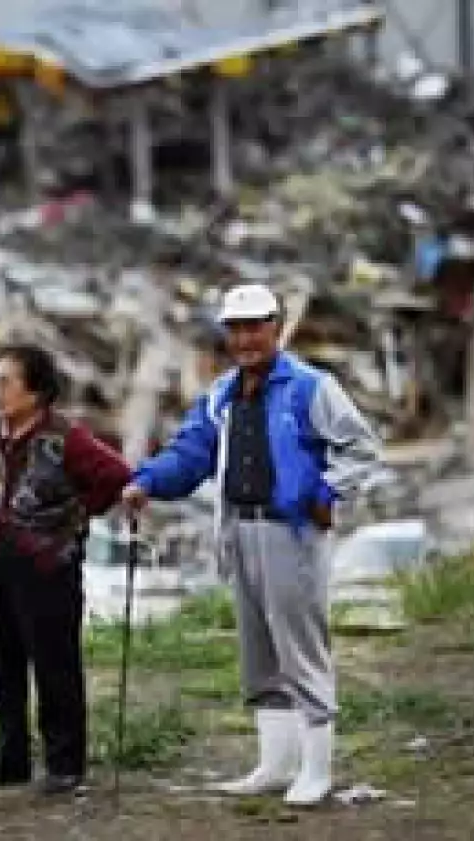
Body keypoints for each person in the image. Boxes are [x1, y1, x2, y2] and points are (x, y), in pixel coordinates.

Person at [121, 283, 381, 806]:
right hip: (238, 528)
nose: (245, 338)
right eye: (235, 329)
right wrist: (147, 481)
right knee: (258, 650)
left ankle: (317, 769)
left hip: (291, 532)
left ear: (277, 327)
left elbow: (362, 447)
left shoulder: (311, 387)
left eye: (255, 325)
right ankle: (274, 765)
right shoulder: (221, 395)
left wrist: (328, 490)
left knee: (300, 647)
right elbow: (191, 452)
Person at [0, 344, 131, 795]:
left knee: (55, 665)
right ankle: (11, 758)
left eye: (5, 382)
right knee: (0, 663)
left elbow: (115, 476)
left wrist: (74, 519)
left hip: (46, 568)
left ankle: (65, 764)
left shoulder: (65, 438)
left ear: (34, 392)